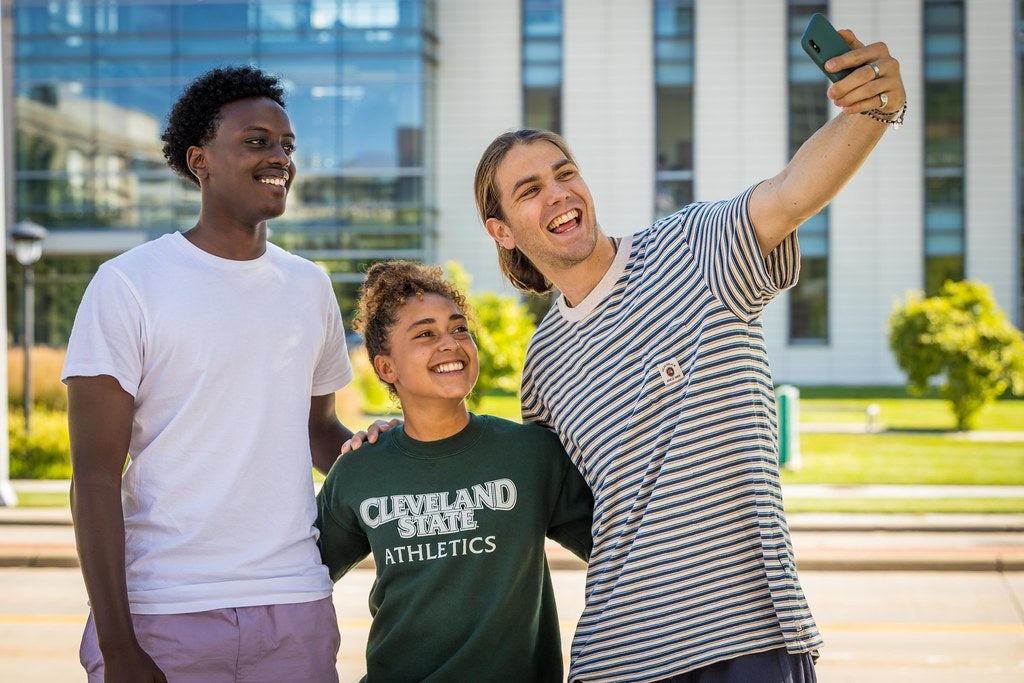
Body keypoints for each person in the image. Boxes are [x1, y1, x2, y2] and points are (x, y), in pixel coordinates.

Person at [471, 28, 908, 683]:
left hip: (751, 640)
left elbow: (793, 190)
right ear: (501, 230)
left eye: (565, 173)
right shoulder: (543, 366)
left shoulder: (695, 249)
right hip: (614, 657)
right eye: (530, 189)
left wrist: (871, 110)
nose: (559, 193)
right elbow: (568, 509)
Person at [62, 66, 357, 682]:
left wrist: (408, 459)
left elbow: (319, 431)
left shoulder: (309, 285)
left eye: (287, 146)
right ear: (200, 161)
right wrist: (118, 646)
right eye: (256, 141)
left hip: (293, 603)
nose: (279, 157)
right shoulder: (128, 284)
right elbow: (93, 478)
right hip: (163, 612)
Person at [315, 260, 594, 682]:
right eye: (425, 334)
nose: (449, 343)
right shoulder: (360, 470)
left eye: (459, 328)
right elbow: (301, 579)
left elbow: (621, 546)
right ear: (386, 368)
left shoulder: (532, 454)